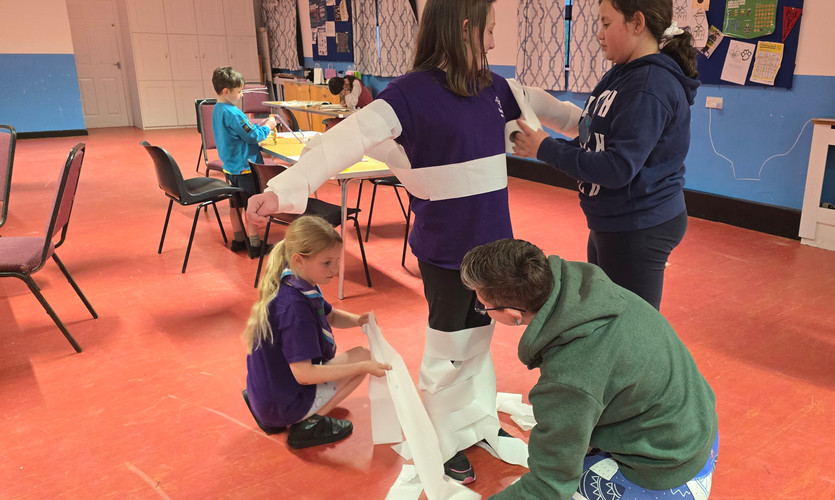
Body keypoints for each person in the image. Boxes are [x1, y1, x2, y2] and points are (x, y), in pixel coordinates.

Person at [246, 0, 582, 484]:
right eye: (489, 31)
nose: (492, 43)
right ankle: (443, 436)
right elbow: (343, 142)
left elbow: (558, 112)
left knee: (479, 341)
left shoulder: (496, 88)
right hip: (447, 254)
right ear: (465, 29)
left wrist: (606, 129)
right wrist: (279, 191)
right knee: (449, 348)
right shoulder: (408, 96)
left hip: (495, 253)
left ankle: (475, 419)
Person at [459, 238, 718, 499]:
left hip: (666, 469)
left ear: (513, 314)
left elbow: (549, 486)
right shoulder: (594, 293)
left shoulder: (569, 377)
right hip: (697, 427)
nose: (481, 309)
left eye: (483, 306)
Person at [511, 0, 700, 310]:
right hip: (613, 219)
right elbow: (595, 145)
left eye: (606, 24)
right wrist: (545, 146)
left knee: (632, 325)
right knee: (607, 312)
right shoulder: (622, 75)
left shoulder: (649, 85)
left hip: (639, 224)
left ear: (637, 23)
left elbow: (617, 167)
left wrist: (546, 148)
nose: (599, 34)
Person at [241, 215, 391, 449]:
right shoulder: (295, 309)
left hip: (266, 394)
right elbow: (304, 374)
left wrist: (358, 320)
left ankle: (277, 412)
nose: (335, 269)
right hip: (280, 403)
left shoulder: (293, 282)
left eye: (337, 261)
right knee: (364, 357)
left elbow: (329, 315)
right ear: (300, 260)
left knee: (361, 357)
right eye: (327, 263)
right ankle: (307, 425)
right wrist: (363, 368)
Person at [212, 66, 277, 258]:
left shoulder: (217, 109)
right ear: (226, 91)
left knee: (235, 205)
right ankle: (255, 245)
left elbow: (241, 131)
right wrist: (269, 126)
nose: (241, 95)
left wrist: (260, 126)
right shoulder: (233, 113)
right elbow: (253, 137)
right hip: (245, 167)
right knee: (251, 205)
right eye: (239, 91)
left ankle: (239, 239)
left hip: (230, 166)